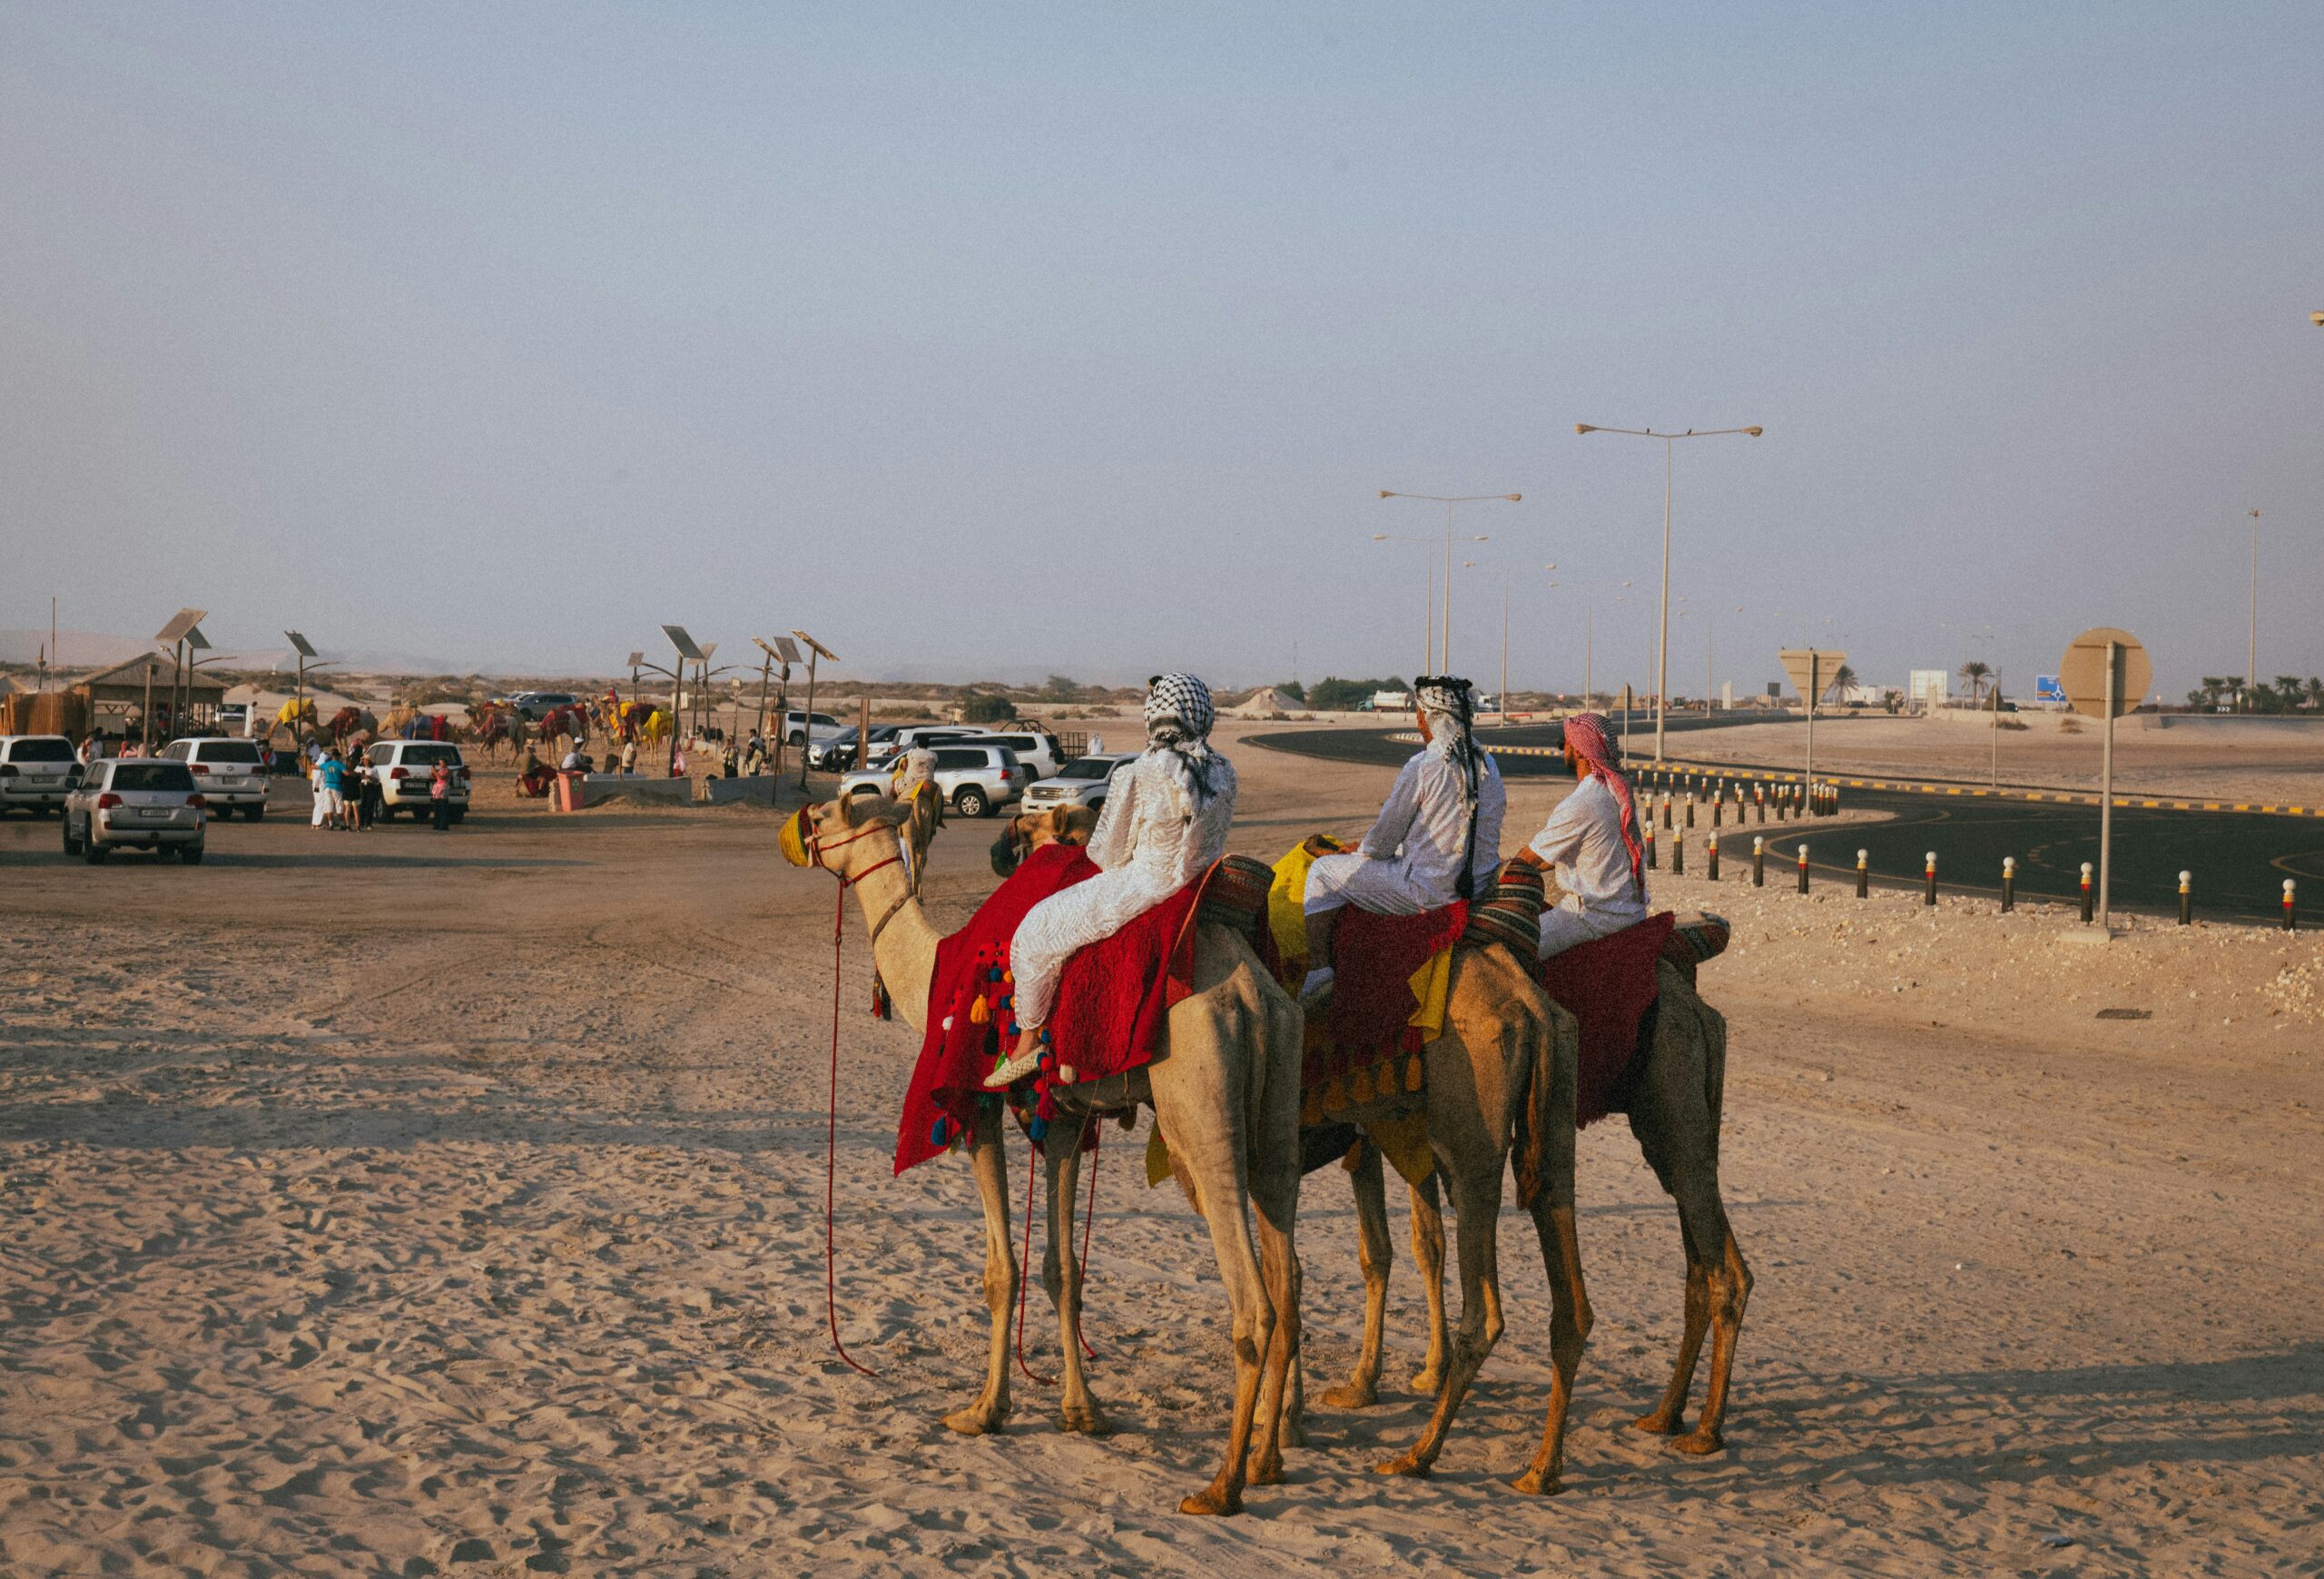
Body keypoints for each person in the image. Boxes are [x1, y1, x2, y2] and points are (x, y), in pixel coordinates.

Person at [986, 675, 1236, 1089]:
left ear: (1154, 715)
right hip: (1199, 880)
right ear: (1201, 713)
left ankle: (1027, 1042)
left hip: (1146, 884)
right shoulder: (1224, 772)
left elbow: (1107, 853)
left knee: (1033, 933)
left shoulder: (1138, 772)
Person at [1299, 676, 1505, 999]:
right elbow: (1454, 834)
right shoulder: (1488, 764)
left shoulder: (1424, 765)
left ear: (1428, 717)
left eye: (1420, 713)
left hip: (1429, 892)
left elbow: (1380, 844)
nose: (1418, 720)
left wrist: (1356, 853)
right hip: (1479, 885)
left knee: (1322, 874)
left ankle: (1319, 973)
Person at [1513, 711, 1649, 958]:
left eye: (1563, 743)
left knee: (1510, 947)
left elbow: (1529, 859)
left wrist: (1496, 875)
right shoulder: (1614, 793)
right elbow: (1544, 859)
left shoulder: (1583, 802)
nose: (1561, 749)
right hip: (1626, 910)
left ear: (1577, 750)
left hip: (1592, 916)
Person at [429, 762, 454, 831]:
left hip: (444, 789)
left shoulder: (448, 770)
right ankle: (437, 824)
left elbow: (443, 778)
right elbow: (435, 777)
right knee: (437, 808)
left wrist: (435, 772)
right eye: (440, 763)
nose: (440, 764)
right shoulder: (440, 770)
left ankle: (443, 825)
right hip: (437, 789)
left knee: (443, 807)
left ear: (446, 763)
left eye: (442, 763)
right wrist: (433, 771)